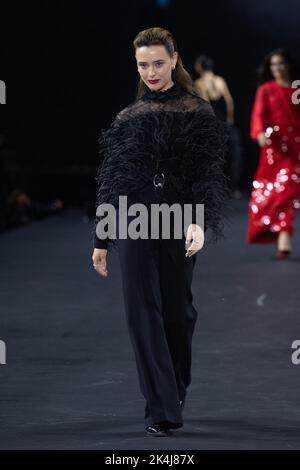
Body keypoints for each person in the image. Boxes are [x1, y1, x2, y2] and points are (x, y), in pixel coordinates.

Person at [92, 27, 228, 437]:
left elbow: (207, 173)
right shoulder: (127, 117)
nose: (150, 72)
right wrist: (101, 239)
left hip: (178, 217)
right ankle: (161, 408)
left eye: (157, 62)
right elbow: (111, 181)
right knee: (140, 314)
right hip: (134, 218)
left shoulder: (198, 111)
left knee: (177, 313)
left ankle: (175, 389)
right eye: (142, 64)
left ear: (174, 59)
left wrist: (198, 221)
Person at [247, 49, 300, 259]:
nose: (277, 68)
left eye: (281, 64)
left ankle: (284, 234)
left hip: (296, 147)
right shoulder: (266, 89)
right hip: (274, 148)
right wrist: (260, 133)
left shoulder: (297, 88)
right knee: (273, 191)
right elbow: (258, 114)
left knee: (289, 189)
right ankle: (281, 232)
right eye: (273, 65)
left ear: (288, 66)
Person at [194, 54, 242, 197]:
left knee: (213, 157)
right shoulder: (220, 80)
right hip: (226, 122)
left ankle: (215, 189)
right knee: (233, 155)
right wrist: (230, 119)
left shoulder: (200, 82)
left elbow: (205, 104)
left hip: (213, 123)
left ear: (200, 67)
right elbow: (229, 101)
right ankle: (234, 188)